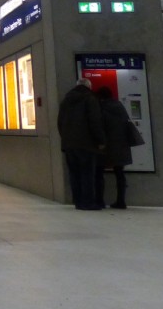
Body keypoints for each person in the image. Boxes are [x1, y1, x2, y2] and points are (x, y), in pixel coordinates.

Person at [57, 77, 105, 210]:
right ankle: (88, 202)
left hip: (69, 144)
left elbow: (60, 122)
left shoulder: (66, 101)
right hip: (87, 143)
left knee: (74, 173)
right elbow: (95, 121)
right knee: (87, 173)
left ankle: (78, 201)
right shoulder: (90, 99)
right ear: (89, 86)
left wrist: (65, 138)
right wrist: (100, 140)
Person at [96, 87, 137, 209]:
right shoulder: (119, 106)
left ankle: (99, 200)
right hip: (121, 145)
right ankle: (121, 200)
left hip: (106, 145)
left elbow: (99, 125)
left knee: (99, 172)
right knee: (119, 173)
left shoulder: (101, 108)